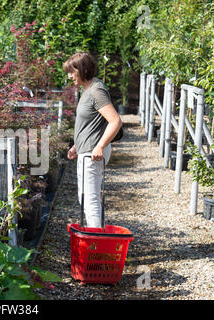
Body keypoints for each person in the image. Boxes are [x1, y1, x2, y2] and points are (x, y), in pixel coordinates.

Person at [64, 52, 122, 228]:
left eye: (71, 71)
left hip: (93, 153)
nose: (69, 76)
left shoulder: (96, 91)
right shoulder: (87, 89)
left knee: (91, 200)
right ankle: (95, 239)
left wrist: (100, 146)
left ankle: (95, 245)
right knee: (85, 197)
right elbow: (91, 123)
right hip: (86, 150)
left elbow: (115, 121)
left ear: (83, 69)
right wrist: (76, 145)